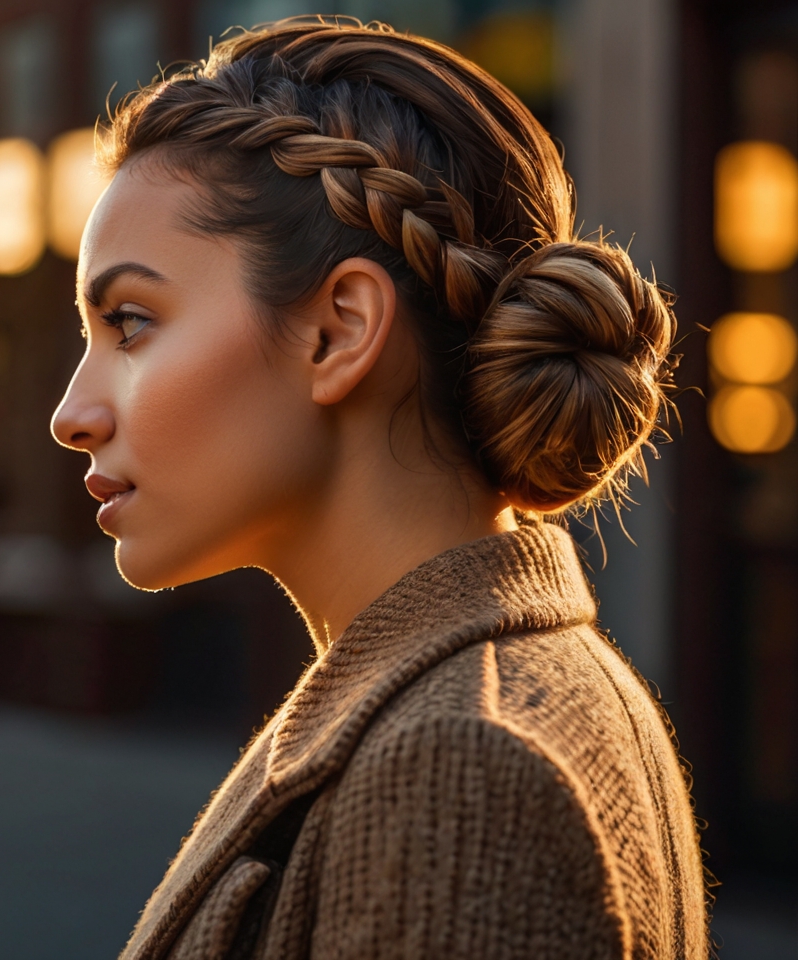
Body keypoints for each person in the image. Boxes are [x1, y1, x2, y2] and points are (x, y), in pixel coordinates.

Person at [51, 19, 708, 960]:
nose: (71, 414)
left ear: (339, 331)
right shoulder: (473, 692)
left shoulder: (463, 766)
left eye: (131, 321)